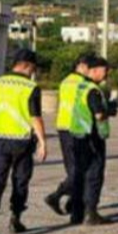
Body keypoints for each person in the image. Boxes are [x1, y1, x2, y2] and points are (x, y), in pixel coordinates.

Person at [0, 49, 47, 234]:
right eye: (33, 67)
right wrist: (42, 142)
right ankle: (15, 218)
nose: (34, 71)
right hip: (22, 142)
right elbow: (35, 118)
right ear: (27, 65)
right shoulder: (31, 87)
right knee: (20, 181)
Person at [45, 53, 96, 216]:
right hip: (75, 129)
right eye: (90, 67)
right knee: (78, 170)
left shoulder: (66, 80)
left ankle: (73, 204)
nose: (92, 71)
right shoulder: (82, 83)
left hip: (64, 127)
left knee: (74, 169)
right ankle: (56, 195)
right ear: (81, 66)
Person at [69, 56, 115, 226]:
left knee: (79, 175)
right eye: (105, 70)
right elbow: (99, 114)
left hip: (78, 136)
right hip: (92, 138)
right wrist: (109, 109)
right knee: (94, 175)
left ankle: (76, 214)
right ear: (95, 70)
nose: (107, 73)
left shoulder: (81, 86)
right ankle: (91, 214)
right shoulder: (94, 90)